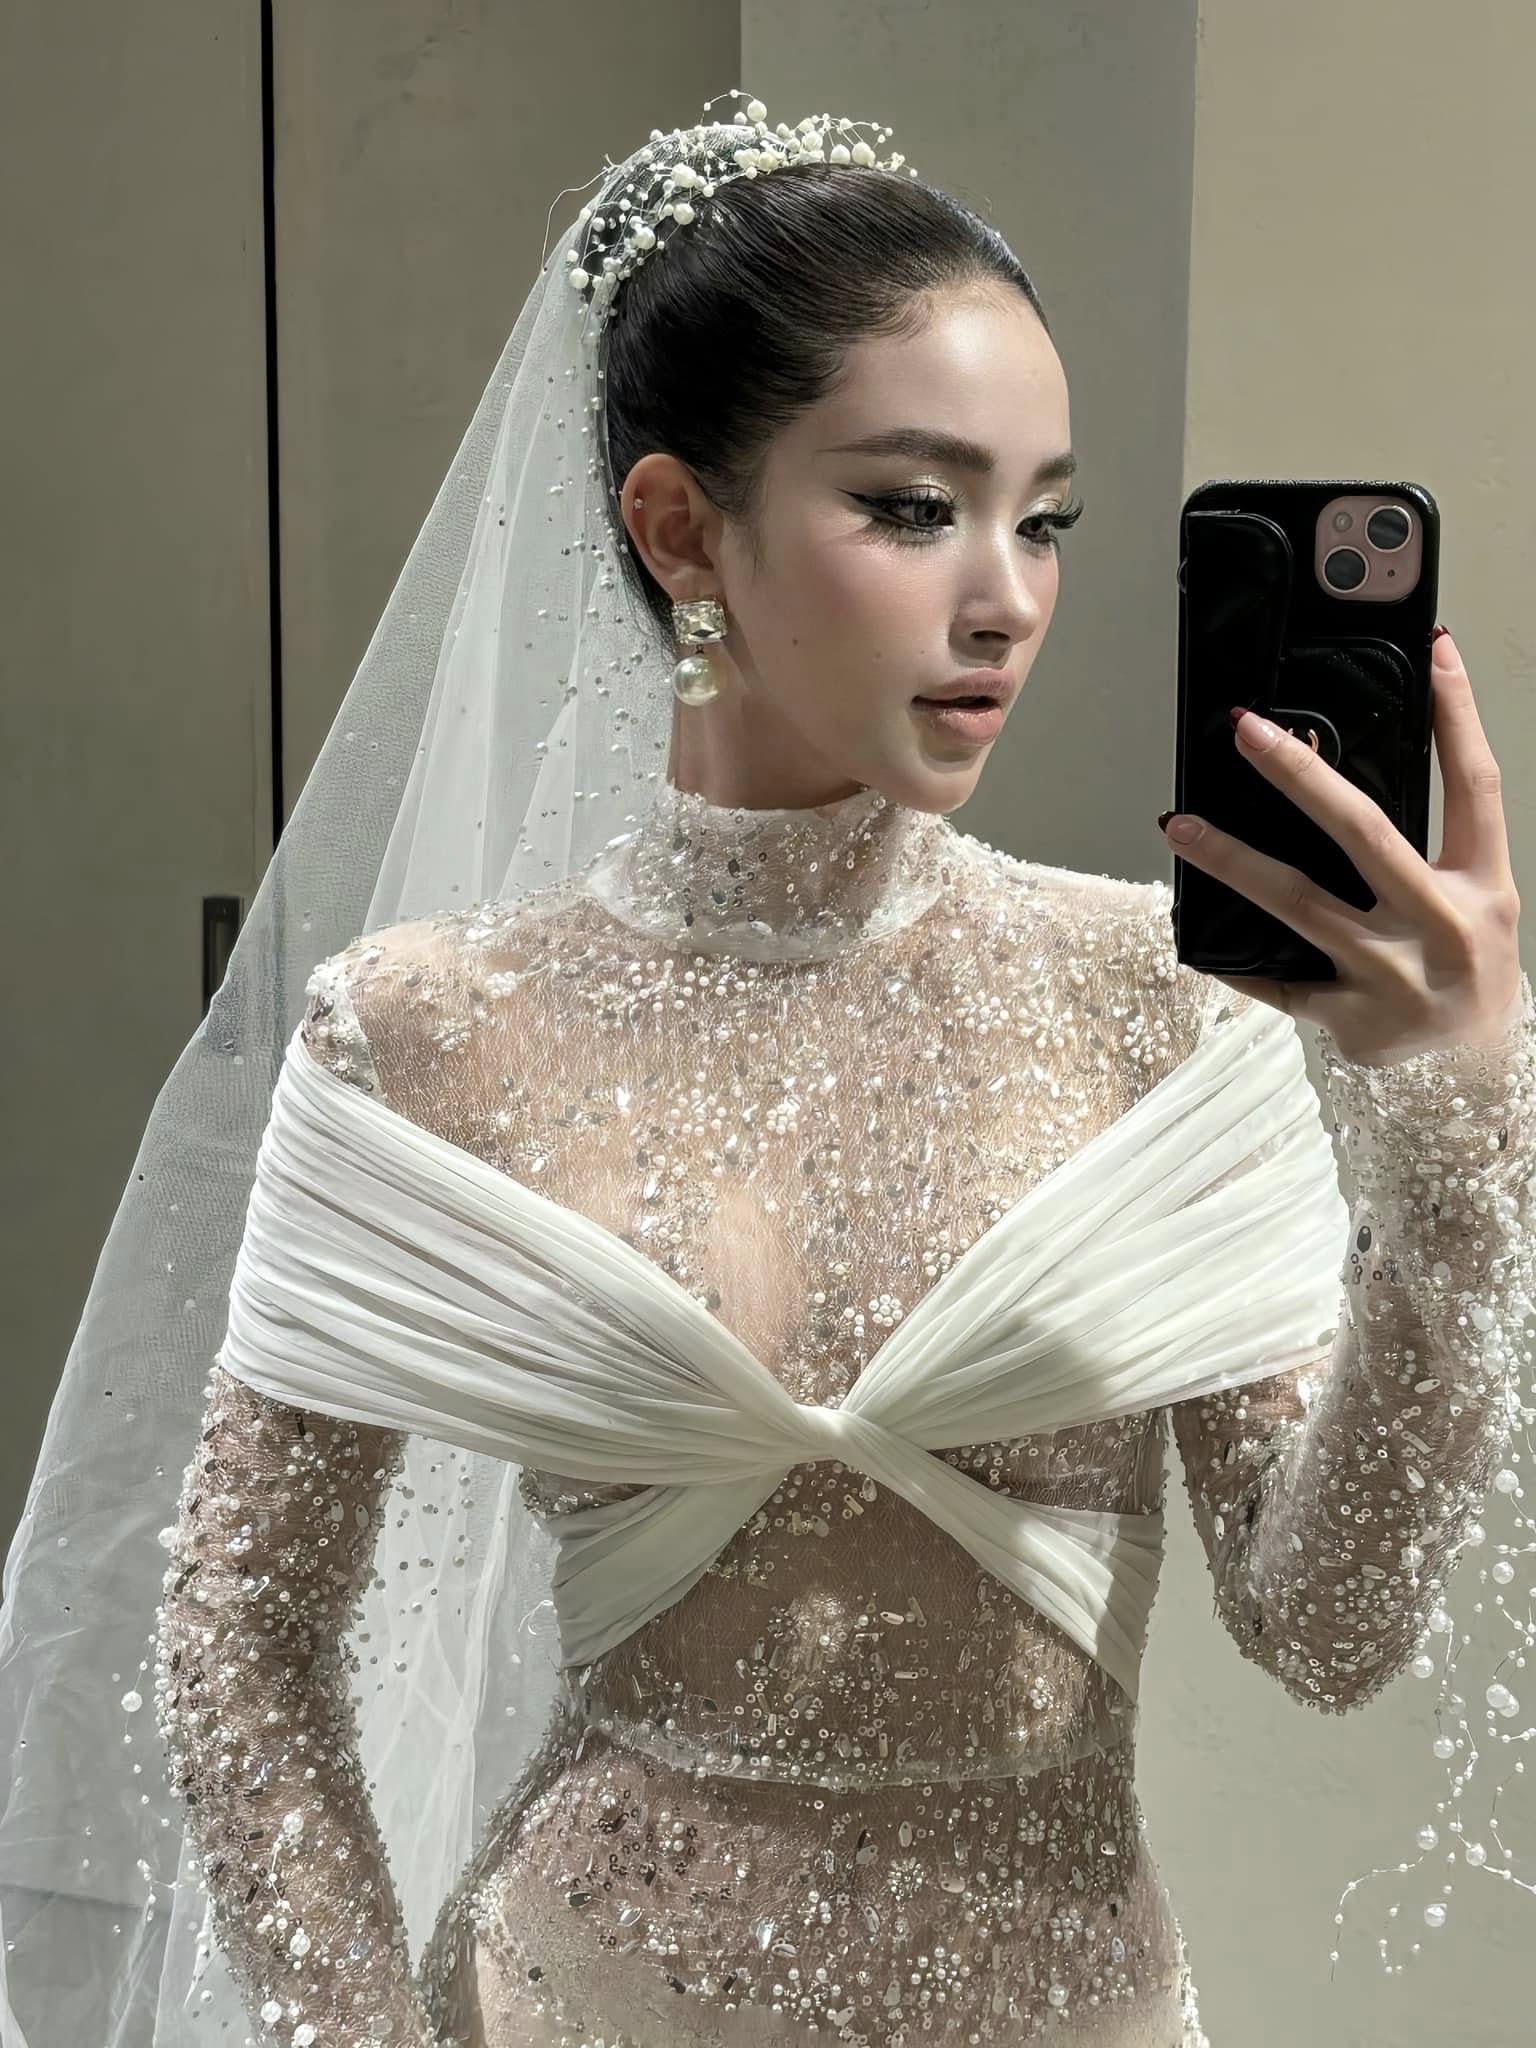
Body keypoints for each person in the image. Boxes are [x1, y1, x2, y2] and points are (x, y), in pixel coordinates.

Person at [3, 89, 1533, 2048]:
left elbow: (1324, 1626)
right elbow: (241, 1629)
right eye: (911, 508)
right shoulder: (423, 1033)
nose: (1005, 596)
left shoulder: (1161, 1011)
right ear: (679, 529)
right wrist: (356, 2034)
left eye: (1043, 519)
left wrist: (1456, 1147)